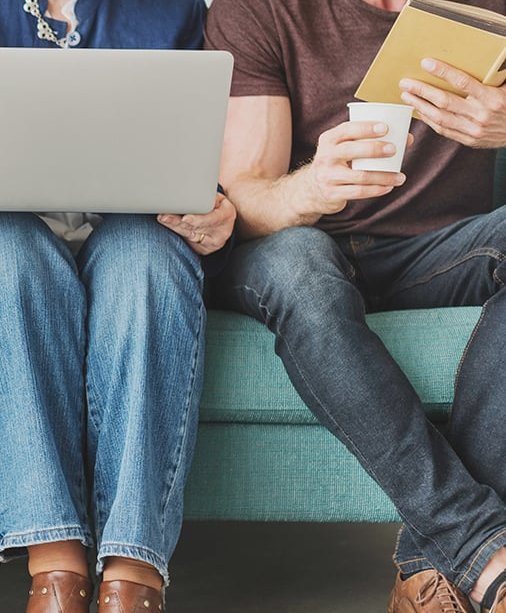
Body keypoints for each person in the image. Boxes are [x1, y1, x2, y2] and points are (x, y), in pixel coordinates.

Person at [0, 1, 232, 611]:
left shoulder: (172, 11)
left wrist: (216, 204)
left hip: (124, 233)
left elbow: (204, 153)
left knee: (148, 258)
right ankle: (55, 564)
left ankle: (132, 572)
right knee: (13, 249)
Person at [207, 0, 506, 610]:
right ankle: (477, 544)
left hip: (439, 251)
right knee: (300, 270)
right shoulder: (257, 9)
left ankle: (434, 567)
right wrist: (313, 185)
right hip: (298, 244)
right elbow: (245, 202)